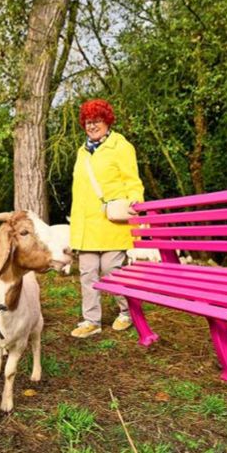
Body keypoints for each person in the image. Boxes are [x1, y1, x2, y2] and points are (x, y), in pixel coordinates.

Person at [68, 99, 145, 338]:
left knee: (112, 270)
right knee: (88, 272)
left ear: (107, 121)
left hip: (111, 221)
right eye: (88, 122)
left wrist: (135, 202)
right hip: (86, 226)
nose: (92, 126)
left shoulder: (121, 146)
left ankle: (126, 312)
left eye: (97, 121)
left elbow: (132, 181)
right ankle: (92, 320)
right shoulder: (82, 152)